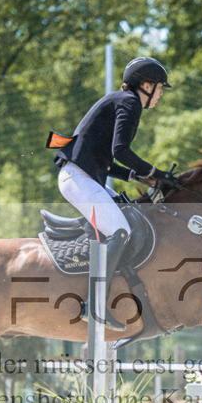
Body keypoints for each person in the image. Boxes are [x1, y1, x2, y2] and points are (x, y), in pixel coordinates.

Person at [49, 56, 174, 331]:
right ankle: (94, 304)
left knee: (125, 216)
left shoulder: (121, 100)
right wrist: (155, 172)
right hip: (78, 179)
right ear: (146, 85)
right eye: (160, 88)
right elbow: (121, 151)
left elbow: (106, 159)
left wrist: (136, 175)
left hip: (82, 176)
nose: (161, 94)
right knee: (120, 230)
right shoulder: (130, 103)